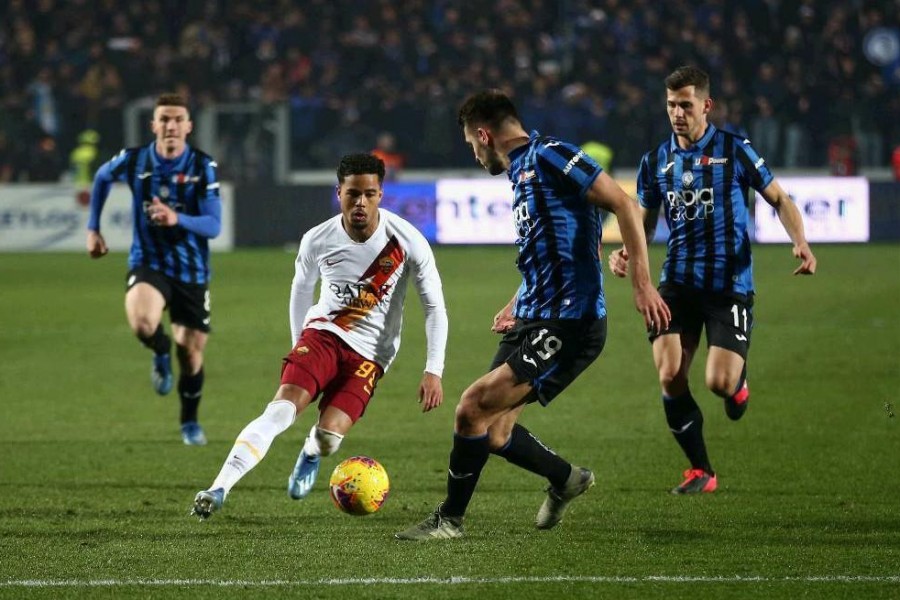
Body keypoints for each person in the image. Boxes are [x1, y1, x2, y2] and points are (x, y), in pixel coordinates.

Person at [395, 90, 670, 541]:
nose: (474, 152)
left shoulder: (551, 155)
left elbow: (623, 203)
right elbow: (548, 251)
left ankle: (449, 520)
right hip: (535, 315)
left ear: (484, 134)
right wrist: (518, 299)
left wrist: (641, 283)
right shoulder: (521, 173)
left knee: (470, 408)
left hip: (570, 321)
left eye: (471, 143)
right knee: (496, 432)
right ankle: (567, 479)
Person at [191, 153, 447, 520]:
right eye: (353, 194)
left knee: (329, 439)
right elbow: (301, 291)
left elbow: (435, 307)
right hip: (324, 335)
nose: (360, 203)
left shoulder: (408, 242)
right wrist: (300, 343)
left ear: (381, 194)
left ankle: (311, 452)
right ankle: (219, 487)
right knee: (280, 409)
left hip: (372, 355)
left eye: (369, 194)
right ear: (339, 192)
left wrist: (433, 369)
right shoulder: (317, 239)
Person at [608, 66, 817, 494]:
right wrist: (628, 252)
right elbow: (644, 226)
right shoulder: (656, 162)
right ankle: (701, 470)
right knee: (670, 374)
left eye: (685, 104)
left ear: (706, 105)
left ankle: (737, 386)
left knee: (718, 383)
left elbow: (779, 198)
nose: (677, 113)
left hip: (728, 285)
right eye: (670, 105)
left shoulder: (735, 150)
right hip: (678, 283)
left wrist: (800, 241)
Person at [86, 93, 222, 446]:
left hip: (191, 271)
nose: (171, 126)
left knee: (191, 355)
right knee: (143, 322)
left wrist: (177, 218)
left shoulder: (202, 167)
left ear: (189, 126)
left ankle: (189, 422)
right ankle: (159, 350)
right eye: (164, 119)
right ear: (154, 125)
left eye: (178, 119)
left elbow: (213, 226)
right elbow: (101, 178)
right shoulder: (135, 161)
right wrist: (93, 228)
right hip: (149, 261)